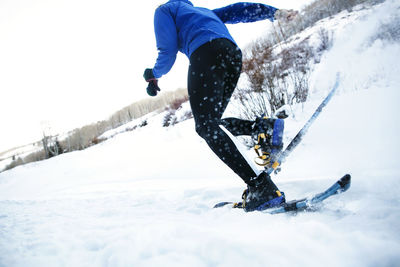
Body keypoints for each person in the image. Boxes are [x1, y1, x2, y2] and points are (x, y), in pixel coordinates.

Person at [143, 0, 296, 212]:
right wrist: (275, 12)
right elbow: (238, 10)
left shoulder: (164, 10)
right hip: (231, 54)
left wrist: (153, 75)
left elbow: (167, 52)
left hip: (206, 54)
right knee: (214, 125)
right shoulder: (202, 12)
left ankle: (260, 188)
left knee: (206, 127)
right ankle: (262, 127)